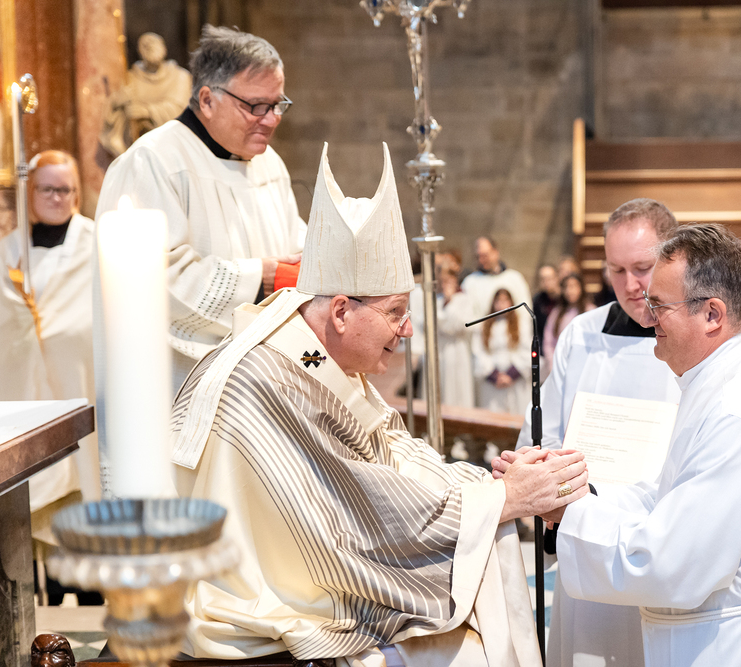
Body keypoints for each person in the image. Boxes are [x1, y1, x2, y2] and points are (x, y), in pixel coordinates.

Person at [170, 141, 588, 664]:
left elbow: (389, 455)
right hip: (261, 599)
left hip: (302, 570)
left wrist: (490, 485)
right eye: (395, 312)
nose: (408, 329)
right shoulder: (269, 380)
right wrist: (503, 499)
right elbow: (353, 525)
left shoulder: (314, 349)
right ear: (341, 311)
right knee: (466, 653)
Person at [522, 223, 741, 667]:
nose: (647, 317)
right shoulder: (725, 382)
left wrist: (570, 512)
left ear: (712, 314)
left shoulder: (738, 416)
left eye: (659, 304)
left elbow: (669, 564)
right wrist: (579, 493)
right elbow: (667, 494)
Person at [96, 25, 307, 398]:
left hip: (265, 380)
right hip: (181, 388)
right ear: (208, 100)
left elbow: (296, 245)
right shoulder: (152, 162)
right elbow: (152, 280)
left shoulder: (269, 163)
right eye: (256, 106)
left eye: (277, 105)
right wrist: (261, 278)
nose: (272, 119)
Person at [0, 151, 99, 512]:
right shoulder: (10, 249)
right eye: (47, 189)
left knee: (85, 461)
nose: (57, 198)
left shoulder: (97, 242)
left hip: (80, 369)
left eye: (65, 189)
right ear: (31, 193)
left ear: (76, 194)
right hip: (25, 375)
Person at [99, 32, 193, 157]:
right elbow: (114, 115)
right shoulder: (131, 78)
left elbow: (180, 110)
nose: (150, 46)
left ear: (164, 49)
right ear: (139, 52)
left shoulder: (180, 76)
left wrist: (147, 111)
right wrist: (120, 104)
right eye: (145, 45)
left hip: (174, 149)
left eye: (155, 44)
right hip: (141, 150)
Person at [472, 288, 531, 415]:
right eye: (498, 301)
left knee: (516, 417)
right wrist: (495, 376)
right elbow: (478, 352)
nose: (501, 304)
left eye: (505, 300)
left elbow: (526, 351)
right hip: (492, 383)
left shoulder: (521, 324)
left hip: (514, 382)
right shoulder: (484, 325)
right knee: (492, 418)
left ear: (511, 302)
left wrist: (510, 375)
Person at [435, 251, 475, 408]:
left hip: (458, 350)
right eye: (443, 281)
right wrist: (446, 302)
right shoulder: (438, 300)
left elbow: (460, 325)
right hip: (441, 350)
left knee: (458, 391)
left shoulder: (464, 299)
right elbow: (435, 324)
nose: (445, 285)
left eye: (448, 281)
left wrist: (450, 302)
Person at [460, 236, 532, 320]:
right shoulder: (470, 282)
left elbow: (525, 312)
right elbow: (465, 316)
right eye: (478, 256)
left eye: (485, 255)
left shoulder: (515, 278)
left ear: (495, 252)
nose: (481, 260)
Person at [542, 273, 593, 362]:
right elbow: (548, 341)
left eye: (573, 286)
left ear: (581, 288)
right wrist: (553, 362)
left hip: (584, 362)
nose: (569, 291)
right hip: (560, 361)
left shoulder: (590, 311)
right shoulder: (557, 312)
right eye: (566, 287)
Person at [533, 263, 559, 352]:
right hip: (545, 348)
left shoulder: (565, 299)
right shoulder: (538, 301)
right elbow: (537, 330)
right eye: (542, 279)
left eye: (549, 278)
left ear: (557, 278)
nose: (546, 282)